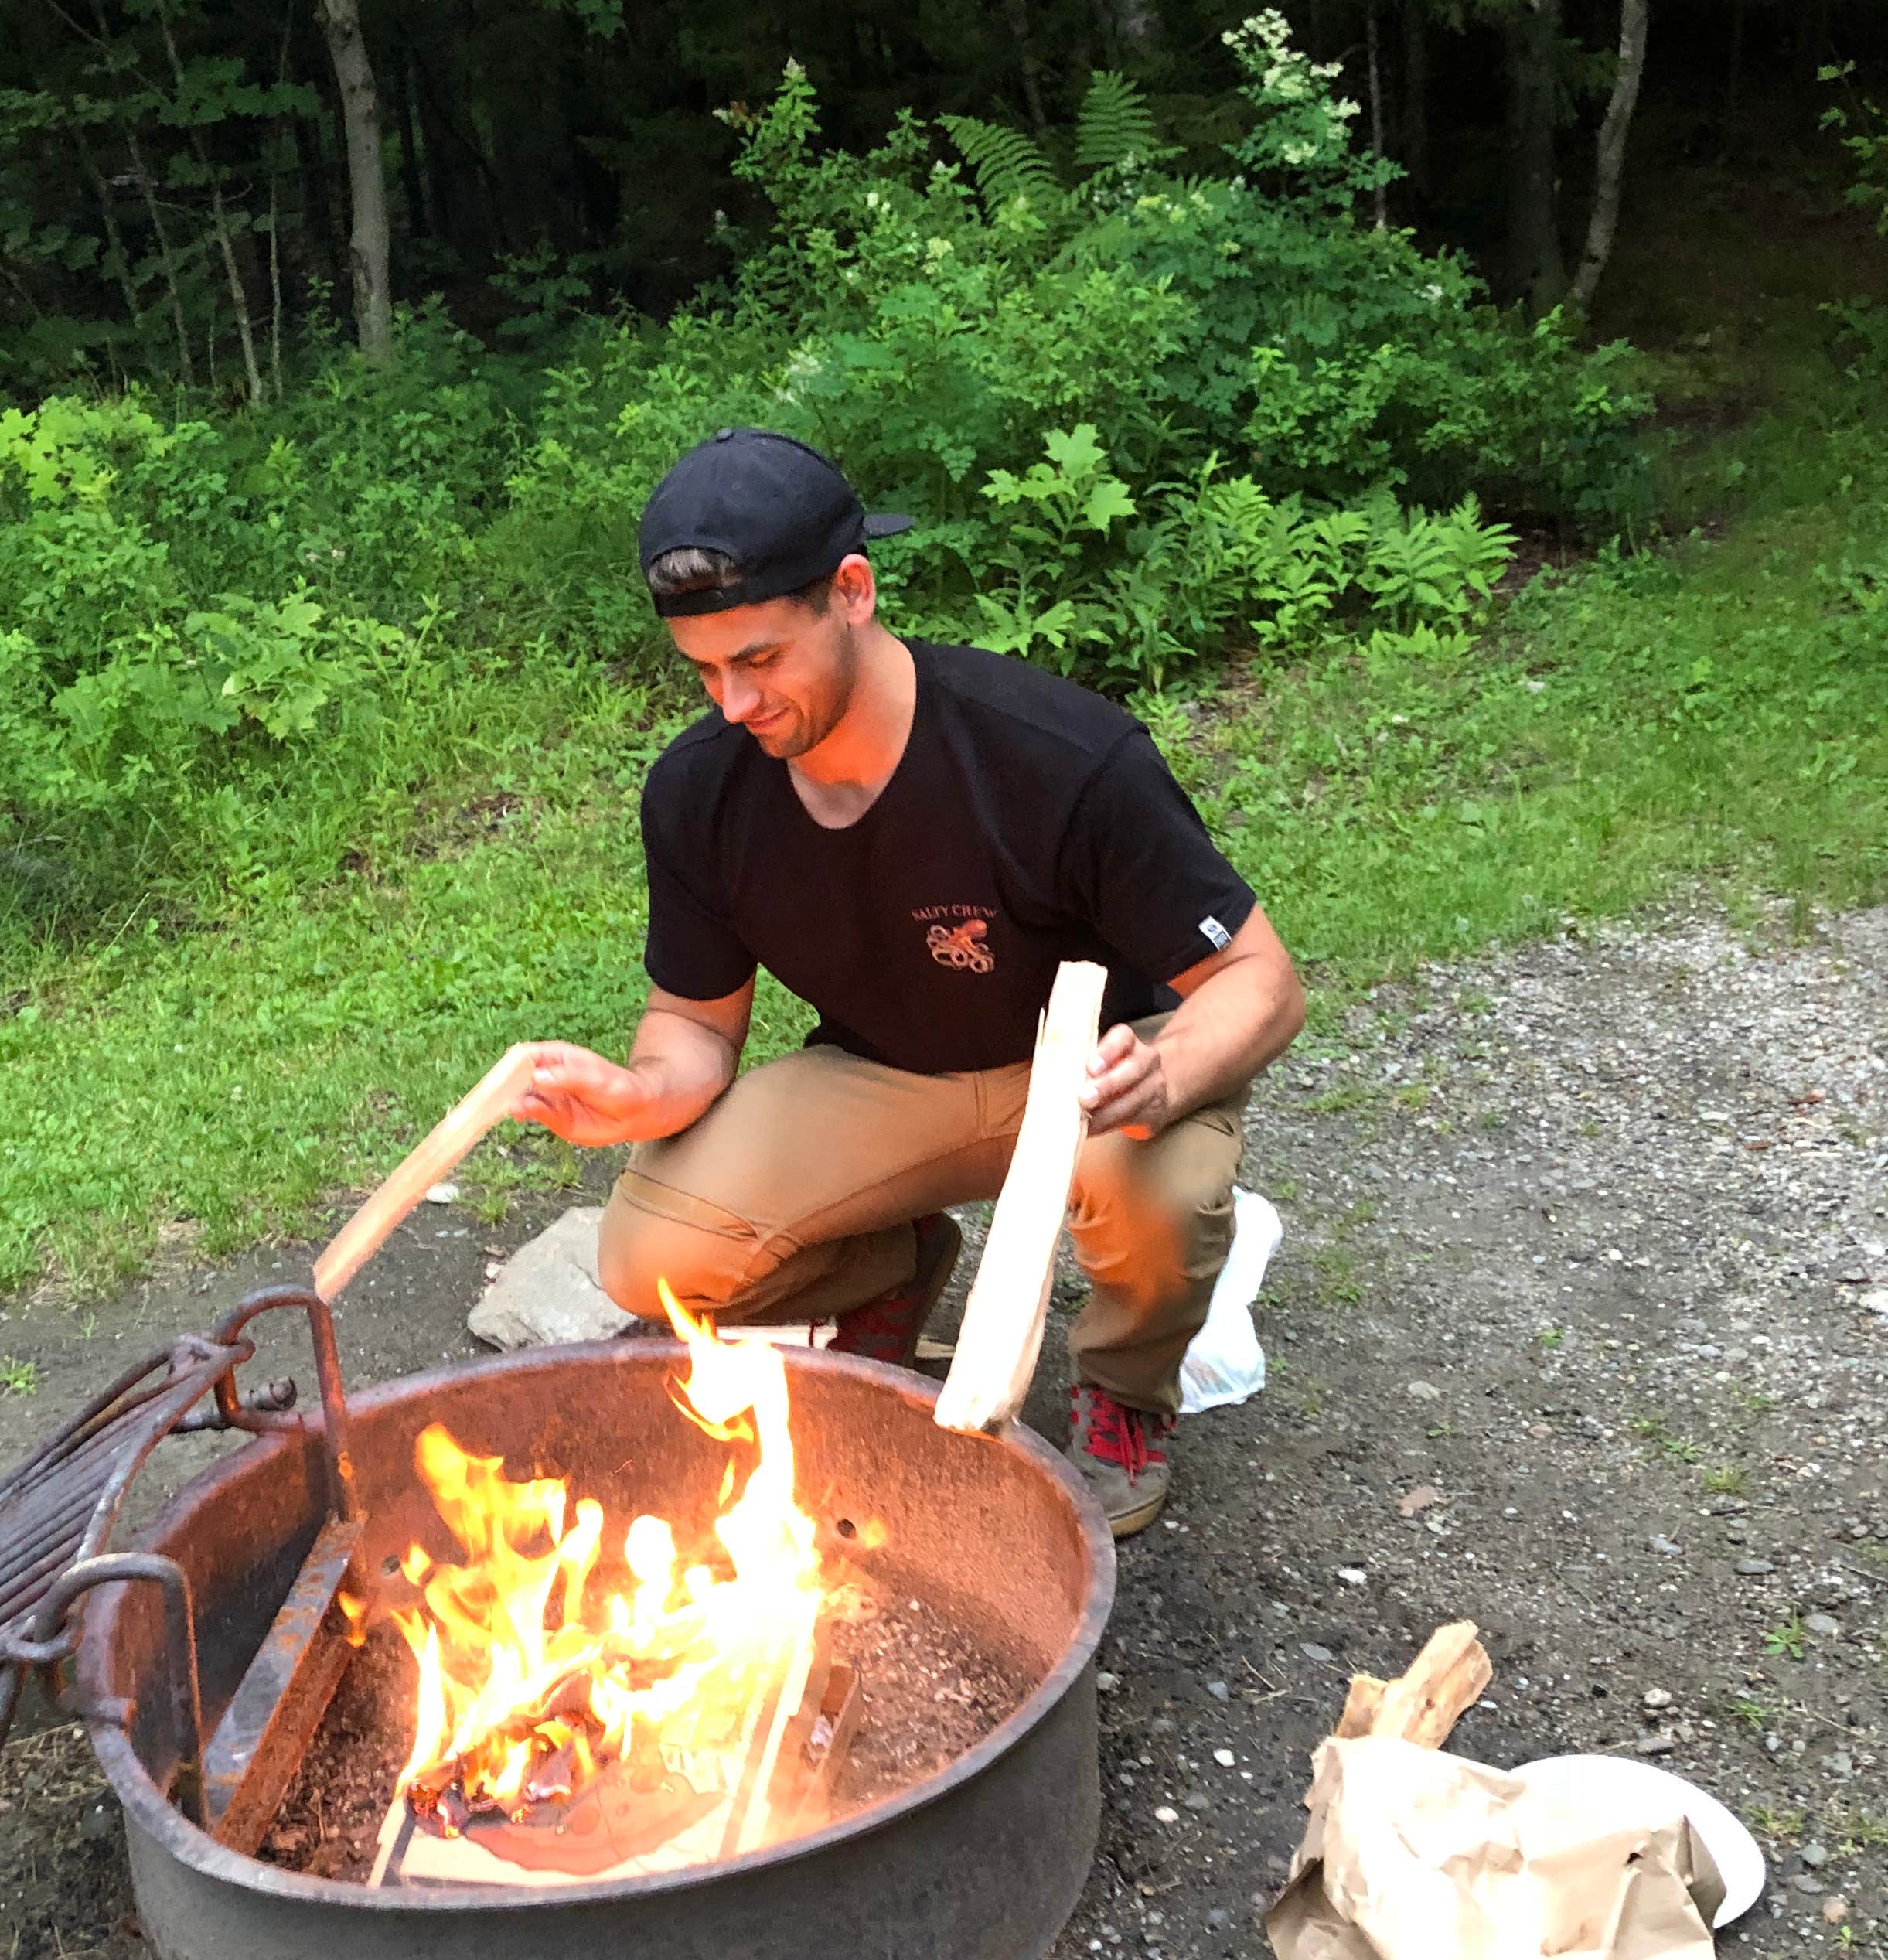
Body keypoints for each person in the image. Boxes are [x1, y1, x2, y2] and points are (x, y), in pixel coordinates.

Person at [513, 428, 1305, 1536]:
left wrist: (1165, 1071)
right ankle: (892, 1268)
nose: (733, 705)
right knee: (652, 1256)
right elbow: (693, 1024)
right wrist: (639, 1095)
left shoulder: (1055, 756)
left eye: (759, 660)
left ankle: (1126, 1391)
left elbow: (1261, 980)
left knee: (1154, 1195)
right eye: (704, 670)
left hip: (1092, 1082)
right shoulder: (703, 792)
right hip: (888, 1081)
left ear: (852, 591)